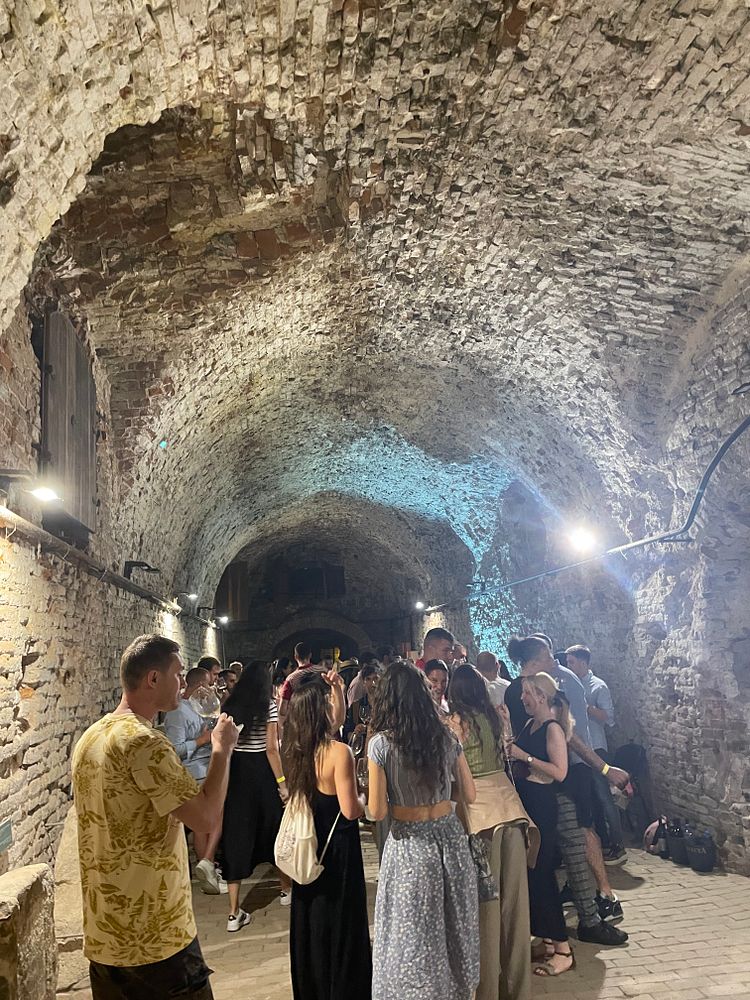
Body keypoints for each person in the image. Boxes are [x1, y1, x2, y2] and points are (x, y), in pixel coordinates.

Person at [72, 634, 239, 1000]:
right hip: (156, 938)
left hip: (105, 937)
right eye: (178, 674)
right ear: (152, 679)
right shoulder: (146, 743)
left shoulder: (90, 738)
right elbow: (206, 819)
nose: (184, 684)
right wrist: (222, 749)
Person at [505, 635, 628, 945]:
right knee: (557, 854)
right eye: (549, 655)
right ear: (535, 660)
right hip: (545, 791)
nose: (554, 661)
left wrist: (603, 769)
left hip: (555, 785)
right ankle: (574, 921)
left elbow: (563, 737)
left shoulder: (546, 696)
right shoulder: (526, 695)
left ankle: (588, 916)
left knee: (573, 847)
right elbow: (556, 739)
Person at [368, 661, 480, 1000]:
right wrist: (439, 795)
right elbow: (469, 793)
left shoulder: (381, 745)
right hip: (449, 838)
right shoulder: (446, 736)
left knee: (413, 937)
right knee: (455, 928)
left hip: (411, 845)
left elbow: (377, 811)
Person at [448, 665, 538, 1000]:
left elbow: (453, 775)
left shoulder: (454, 723)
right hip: (512, 812)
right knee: (515, 909)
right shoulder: (494, 717)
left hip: (479, 817)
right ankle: (518, 990)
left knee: (486, 910)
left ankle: (486, 991)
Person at [285, 671, 372, 1000]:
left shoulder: (295, 749)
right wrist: (364, 796)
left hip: (308, 843)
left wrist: (337, 689)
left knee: (312, 918)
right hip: (337, 849)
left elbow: (336, 722)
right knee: (341, 920)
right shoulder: (339, 753)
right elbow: (350, 810)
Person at [505, 672, 573, 978]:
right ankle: (546, 940)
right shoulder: (530, 724)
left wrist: (526, 758)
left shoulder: (552, 728)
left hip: (543, 807)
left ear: (542, 697)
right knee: (533, 874)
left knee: (543, 875)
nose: (522, 698)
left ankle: (563, 949)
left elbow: (560, 772)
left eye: (526, 693)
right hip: (528, 804)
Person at [221, 661, 291, 931]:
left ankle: (233, 912)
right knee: (275, 829)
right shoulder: (268, 706)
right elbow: (272, 749)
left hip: (237, 774)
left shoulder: (229, 705)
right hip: (262, 772)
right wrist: (282, 783)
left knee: (236, 835)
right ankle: (285, 890)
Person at [164, 666, 224, 894]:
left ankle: (209, 866)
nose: (211, 689)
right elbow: (175, 749)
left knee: (212, 821)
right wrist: (202, 740)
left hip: (207, 767)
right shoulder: (177, 712)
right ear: (199, 686)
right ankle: (206, 870)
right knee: (204, 824)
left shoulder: (198, 707)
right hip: (193, 772)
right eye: (209, 685)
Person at [566, 645, 626, 864]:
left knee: (604, 797)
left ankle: (618, 845)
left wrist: (585, 707)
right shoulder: (570, 684)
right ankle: (602, 841)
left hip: (596, 747)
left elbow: (608, 718)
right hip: (580, 749)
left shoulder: (598, 686)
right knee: (591, 797)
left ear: (583, 662)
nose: (568, 666)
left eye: (571, 662)